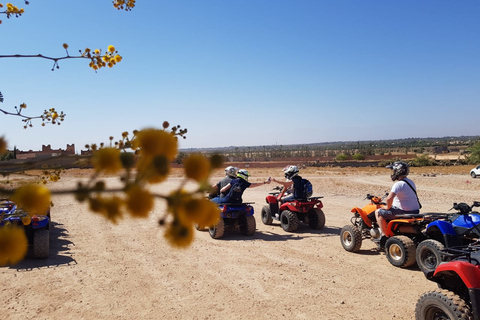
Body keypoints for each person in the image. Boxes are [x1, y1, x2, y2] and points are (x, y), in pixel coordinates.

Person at [374, 161, 421, 241]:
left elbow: (389, 198)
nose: (393, 173)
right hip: (415, 211)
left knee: (378, 212)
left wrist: (387, 207)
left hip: (403, 212)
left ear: (398, 171)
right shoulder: (411, 182)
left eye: (394, 171)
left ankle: (383, 235)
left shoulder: (398, 184)